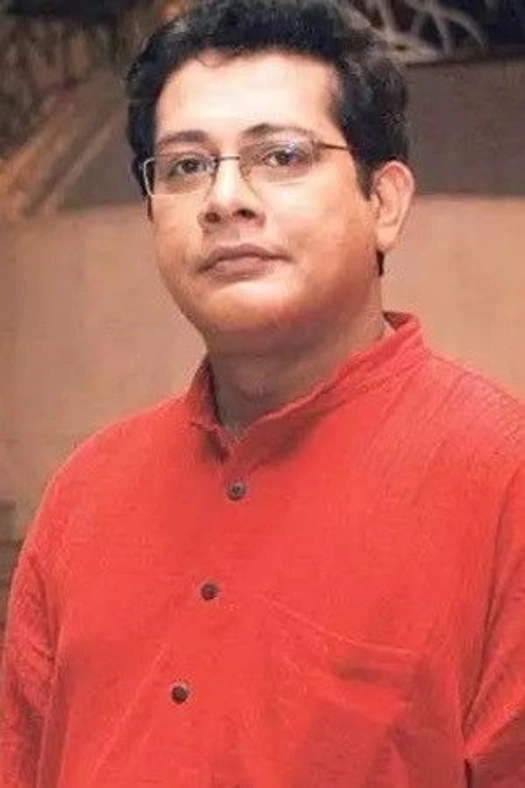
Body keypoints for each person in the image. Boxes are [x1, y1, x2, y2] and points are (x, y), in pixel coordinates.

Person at [1, 0, 523, 785]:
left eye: (279, 155)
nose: (224, 199)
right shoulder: (85, 492)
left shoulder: (500, 480)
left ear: (383, 203)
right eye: (185, 166)